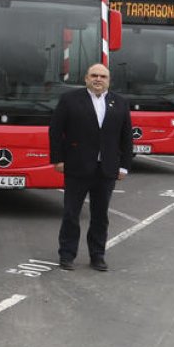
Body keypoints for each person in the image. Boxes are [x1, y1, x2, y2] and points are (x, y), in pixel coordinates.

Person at [49, 63, 133, 272]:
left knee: (100, 215)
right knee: (71, 213)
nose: (98, 79)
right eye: (94, 75)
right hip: (77, 167)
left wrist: (124, 167)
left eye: (103, 76)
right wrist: (58, 160)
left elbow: (126, 138)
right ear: (86, 78)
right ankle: (67, 255)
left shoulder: (120, 103)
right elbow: (55, 132)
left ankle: (97, 256)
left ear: (108, 81)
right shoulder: (70, 100)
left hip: (106, 169)